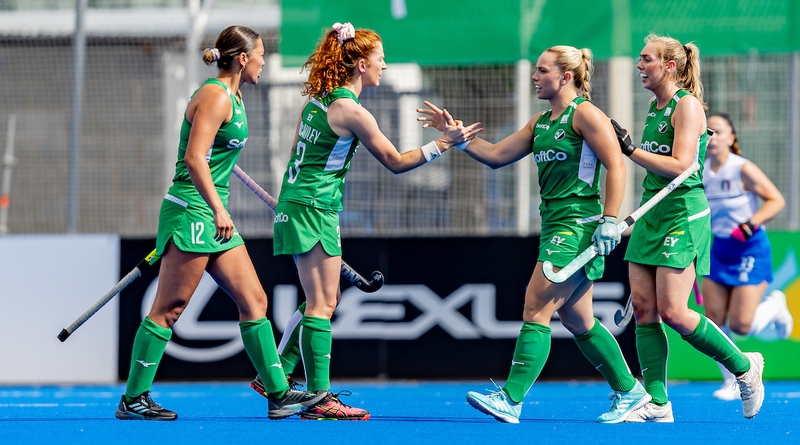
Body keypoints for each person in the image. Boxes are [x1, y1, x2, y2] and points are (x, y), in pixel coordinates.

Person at [250, 22, 479, 421]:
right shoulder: (351, 111)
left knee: (322, 299)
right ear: (359, 65)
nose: (384, 66)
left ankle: (282, 370)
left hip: (304, 205)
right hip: (313, 209)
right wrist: (446, 143)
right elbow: (395, 162)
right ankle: (319, 399)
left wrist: (294, 198)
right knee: (323, 302)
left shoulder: (320, 99)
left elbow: (294, 153)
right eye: (380, 59)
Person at [419, 45, 651, 424]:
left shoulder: (587, 114)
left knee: (535, 308)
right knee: (579, 322)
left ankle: (511, 399)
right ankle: (630, 392)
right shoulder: (541, 122)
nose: (534, 76)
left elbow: (616, 165)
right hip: (553, 224)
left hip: (577, 226)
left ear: (565, 76)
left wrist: (611, 219)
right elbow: (495, 155)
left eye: (542, 71)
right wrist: (456, 137)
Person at [115, 25, 325, 421]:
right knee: (170, 308)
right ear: (243, 58)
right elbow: (195, 159)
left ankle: (278, 394)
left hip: (213, 214)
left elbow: (214, 154)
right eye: (261, 54)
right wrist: (218, 209)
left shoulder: (235, 96)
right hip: (195, 211)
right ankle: (133, 399)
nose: (265, 61)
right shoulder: (214, 96)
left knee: (255, 301)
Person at [610, 34, 765, 421]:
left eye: (646, 59)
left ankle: (745, 367)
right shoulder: (653, 105)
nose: (639, 65)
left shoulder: (688, 106)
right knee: (645, 309)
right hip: (651, 211)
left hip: (682, 213)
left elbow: (682, 166)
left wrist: (631, 151)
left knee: (676, 313)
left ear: (669, 66)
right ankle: (658, 403)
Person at [702, 112, 791, 401]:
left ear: (732, 137)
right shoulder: (698, 171)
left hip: (749, 247)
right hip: (718, 249)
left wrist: (750, 223)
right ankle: (733, 379)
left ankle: (776, 305)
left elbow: (776, 199)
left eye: (718, 131)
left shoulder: (742, 168)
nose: (712, 137)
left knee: (742, 325)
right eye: (707, 132)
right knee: (713, 321)